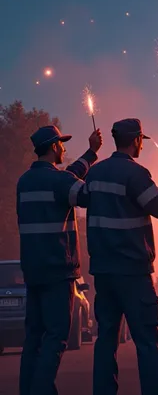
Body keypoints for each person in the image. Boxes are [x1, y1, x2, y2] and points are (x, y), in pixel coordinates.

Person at [86, 118, 158, 395]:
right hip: (134, 272)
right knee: (146, 340)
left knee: (106, 339)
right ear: (136, 140)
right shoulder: (137, 174)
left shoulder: (95, 174)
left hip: (103, 271)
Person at [17, 124, 103, 395]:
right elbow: (85, 194)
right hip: (58, 270)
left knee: (33, 338)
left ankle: (28, 388)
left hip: (33, 271)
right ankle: (41, 390)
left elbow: (66, 179)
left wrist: (90, 154)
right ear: (54, 147)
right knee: (56, 335)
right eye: (62, 144)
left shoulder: (24, 181)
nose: (64, 149)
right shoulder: (59, 182)